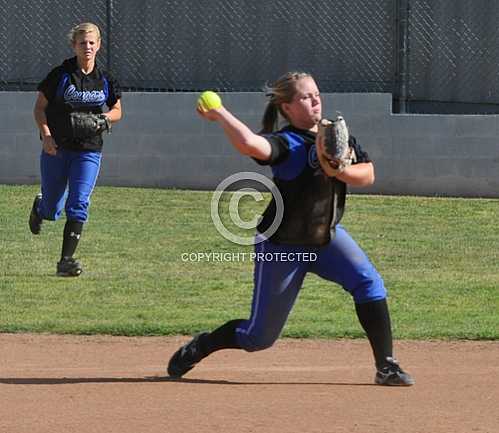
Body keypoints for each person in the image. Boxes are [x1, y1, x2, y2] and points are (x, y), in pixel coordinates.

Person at [167, 72, 414, 386]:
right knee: (258, 337)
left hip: (326, 239)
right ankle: (204, 344)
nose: (315, 101)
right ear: (286, 107)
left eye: (317, 94)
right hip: (281, 246)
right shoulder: (286, 143)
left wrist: (341, 169)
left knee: (369, 283)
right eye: (305, 97)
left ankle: (386, 365)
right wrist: (220, 114)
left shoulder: (336, 136)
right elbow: (249, 144)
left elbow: (368, 174)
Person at [30, 22, 122, 276]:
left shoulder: (104, 79)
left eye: (92, 42)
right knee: (52, 210)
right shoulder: (60, 75)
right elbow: (39, 108)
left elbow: (117, 110)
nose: (88, 47)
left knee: (79, 202)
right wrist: (47, 136)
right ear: (74, 46)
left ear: (99, 45)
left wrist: (104, 120)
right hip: (56, 148)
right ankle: (40, 208)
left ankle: (65, 262)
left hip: (89, 149)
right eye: (82, 43)